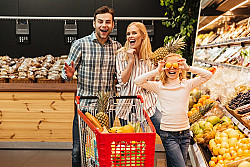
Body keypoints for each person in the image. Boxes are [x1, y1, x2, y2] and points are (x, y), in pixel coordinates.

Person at [61, 6, 122, 167]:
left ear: (113, 25)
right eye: (100, 21)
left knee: (102, 149)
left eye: (108, 22)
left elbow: (121, 77)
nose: (104, 25)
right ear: (93, 23)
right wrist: (68, 75)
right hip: (85, 108)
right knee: (78, 150)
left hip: (107, 109)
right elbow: (64, 74)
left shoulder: (117, 47)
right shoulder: (80, 44)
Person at [134, 53, 213, 167]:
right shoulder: (159, 86)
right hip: (168, 135)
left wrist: (188, 68)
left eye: (176, 65)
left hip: (185, 134)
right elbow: (138, 81)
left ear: (180, 69)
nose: (172, 68)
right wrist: (157, 70)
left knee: (174, 164)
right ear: (165, 68)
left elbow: (208, 75)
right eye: (168, 65)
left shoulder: (187, 84)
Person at [115, 22, 161, 135]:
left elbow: (151, 85)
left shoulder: (150, 58)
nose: (130, 36)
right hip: (126, 106)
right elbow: (122, 81)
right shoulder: (121, 55)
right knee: (130, 142)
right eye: (128, 34)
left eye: (134, 33)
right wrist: (130, 60)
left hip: (147, 105)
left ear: (143, 36)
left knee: (162, 131)